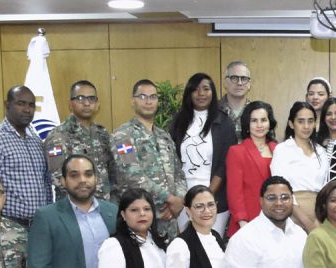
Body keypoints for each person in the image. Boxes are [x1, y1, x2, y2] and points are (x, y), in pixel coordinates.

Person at [110, 79, 188, 239]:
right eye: (142, 96)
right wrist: (169, 199)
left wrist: (178, 201)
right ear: (133, 101)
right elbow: (132, 176)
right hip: (140, 221)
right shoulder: (122, 135)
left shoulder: (164, 136)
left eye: (153, 97)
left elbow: (179, 174)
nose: (148, 101)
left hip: (170, 221)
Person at [0, 86, 53, 226]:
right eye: (21, 104)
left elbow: (46, 182)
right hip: (8, 225)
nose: (27, 109)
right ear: (7, 105)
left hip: (40, 224)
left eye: (31, 105)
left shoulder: (36, 140)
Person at [170, 73, 238, 236]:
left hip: (214, 197)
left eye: (206, 89)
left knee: (211, 244)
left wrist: (206, 197)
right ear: (189, 93)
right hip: (183, 198)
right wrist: (183, 198)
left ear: (213, 92)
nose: (201, 93)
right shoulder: (178, 121)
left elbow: (224, 164)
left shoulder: (225, 123)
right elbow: (171, 160)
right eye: (195, 89)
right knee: (186, 243)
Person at [45, 80, 116, 201]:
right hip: (74, 206)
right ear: (70, 104)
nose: (87, 103)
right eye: (80, 98)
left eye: (91, 99)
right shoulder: (58, 136)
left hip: (104, 205)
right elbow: (58, 179)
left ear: (97, 104)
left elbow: (112, 172)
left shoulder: (102, 134)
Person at [272, 101, 330, 231]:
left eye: (310, 121)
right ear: (291, 124)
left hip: (320, 215)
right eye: (301, 121)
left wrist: (318, 219)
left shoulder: (321, 151)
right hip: (290, 213)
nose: (306, 126)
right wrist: (307, 222)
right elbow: (280, 188)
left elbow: (326, 187)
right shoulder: (282, 150)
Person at [226, 101, 277, 236]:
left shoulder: (278, 149)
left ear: (270, 123)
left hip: (275, 220)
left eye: (263, 120)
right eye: (254, 121)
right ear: (247, 124)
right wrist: (243, 223)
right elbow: (234, 193)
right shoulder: (237, 152)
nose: (259, 125)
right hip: (247, 223)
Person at [219, 61, 252, 139]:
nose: (239, 83)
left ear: (249, 84)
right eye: (234, 78)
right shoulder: (212, 111)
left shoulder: (256, 112)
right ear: (225, 83)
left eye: (244, 79)